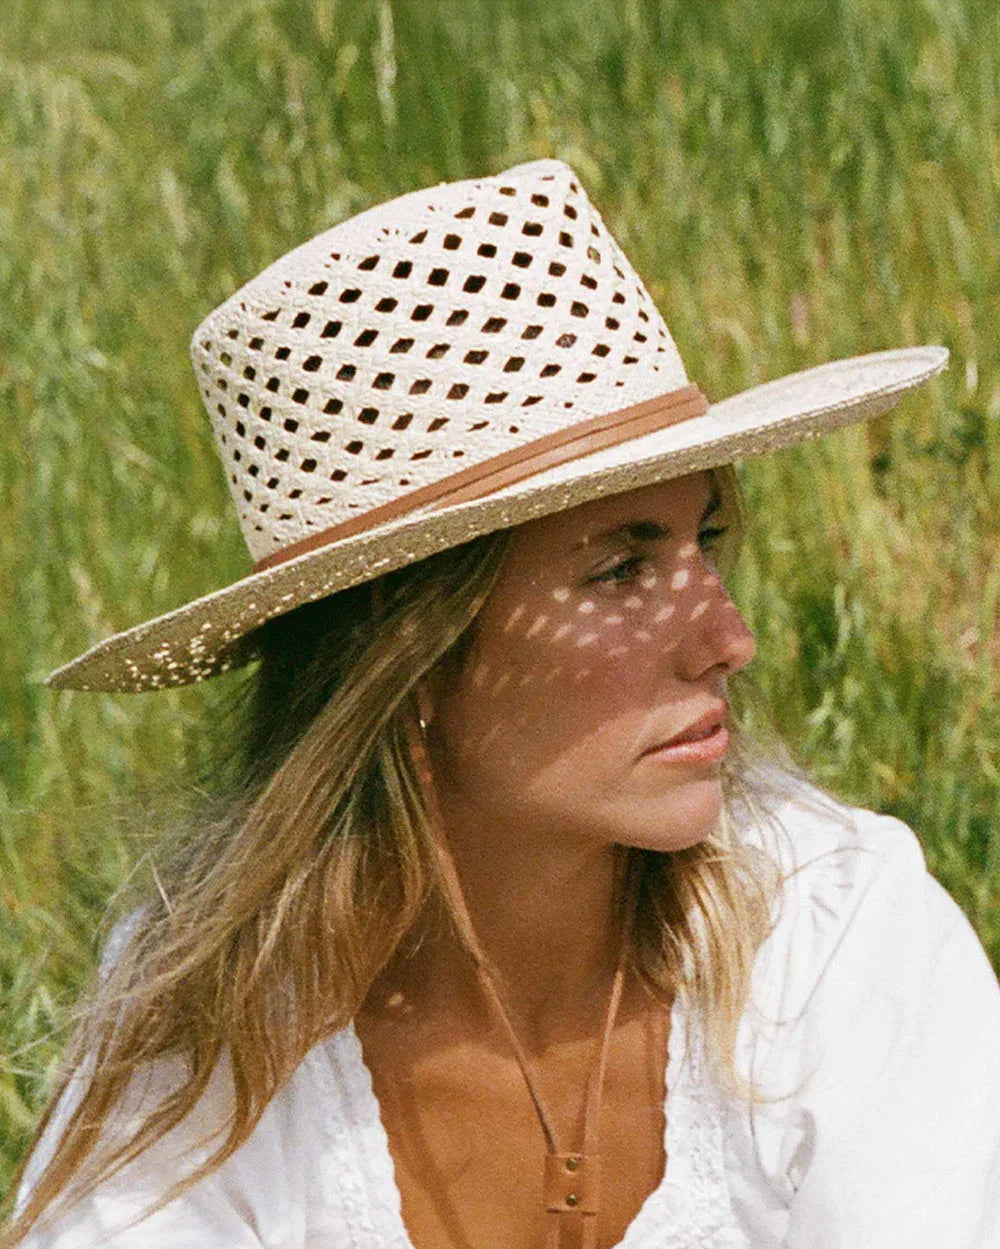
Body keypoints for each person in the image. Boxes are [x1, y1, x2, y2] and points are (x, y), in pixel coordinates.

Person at [7, 158, 999, 1249]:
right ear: (407, 660)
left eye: (704, 539)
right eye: (618, 569)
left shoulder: (830, 935)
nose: (728, 639)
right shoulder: (215, 1009)